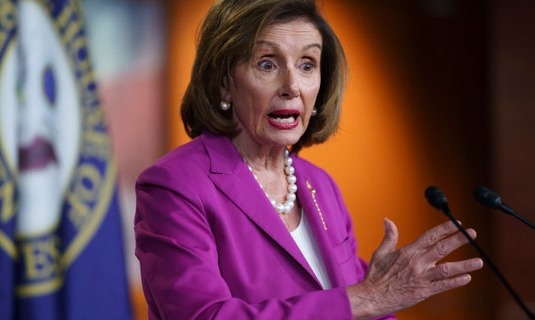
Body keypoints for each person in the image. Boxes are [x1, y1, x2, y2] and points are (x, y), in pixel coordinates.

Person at [134, 0, 484, 319]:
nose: (292, 86)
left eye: (307, 65)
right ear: (225, 83)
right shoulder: (175, 185)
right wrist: (366, 298)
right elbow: (204, 316)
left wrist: (381, 298)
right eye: (267, 64)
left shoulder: (320, 186)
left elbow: (362, 305)